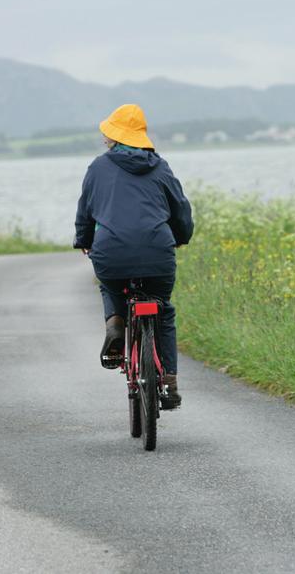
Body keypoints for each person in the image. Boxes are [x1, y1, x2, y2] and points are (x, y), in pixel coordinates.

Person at [74, 104, 194, 409]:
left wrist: (84, 241)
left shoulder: (98, 168)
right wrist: (181, 238)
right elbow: (180, 209)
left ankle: (115, 320)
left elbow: (86, 211)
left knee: (111, 285)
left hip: (110, 253)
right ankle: (168, 382)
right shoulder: (161, 166)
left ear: (113, 137)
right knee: (162, 310)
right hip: (157, 251)